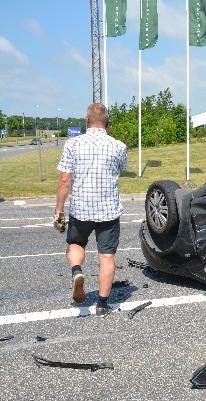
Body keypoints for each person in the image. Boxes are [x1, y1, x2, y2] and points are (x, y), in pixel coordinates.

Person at [53, 103, 128, 317]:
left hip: (81, 209)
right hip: (108, 210)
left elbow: (65, 179)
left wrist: (59, 211)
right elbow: (121, 170)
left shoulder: (73, 144)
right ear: (107, 123)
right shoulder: (119, 146)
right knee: (107, 256)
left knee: (75, 244)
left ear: (86, 121)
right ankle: (102, 304)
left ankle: (77, 271)